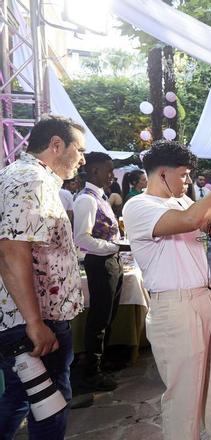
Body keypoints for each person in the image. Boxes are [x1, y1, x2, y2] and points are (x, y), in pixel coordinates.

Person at [122, 141, 211, 440]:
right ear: (162, 173)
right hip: (175, 307)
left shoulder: (180, 202)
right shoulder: (138, 206)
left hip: (207, 297)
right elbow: (190, 221)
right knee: (184, 399)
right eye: (184, 175)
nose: (188, 181)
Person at [0, 115, 86, 439]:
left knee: (22, 397)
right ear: (56, 144)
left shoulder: (27, 177)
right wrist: (35, 324)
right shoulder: (30, 179)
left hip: (30, 318)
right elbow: (11, 251)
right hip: (34, 321)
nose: (82, 159)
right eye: (80, 150)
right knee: (50, 405)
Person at [73, 152, 127, 391]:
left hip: (111, 260)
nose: (112, 175)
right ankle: (91, 371)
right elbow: (82, 238)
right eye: (108, 170)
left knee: (108, 315)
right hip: (100, 262)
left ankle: (102, 361)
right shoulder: (86, 200)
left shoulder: (100, 197)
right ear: (94, 171)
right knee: (99, 318)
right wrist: (114, 246)